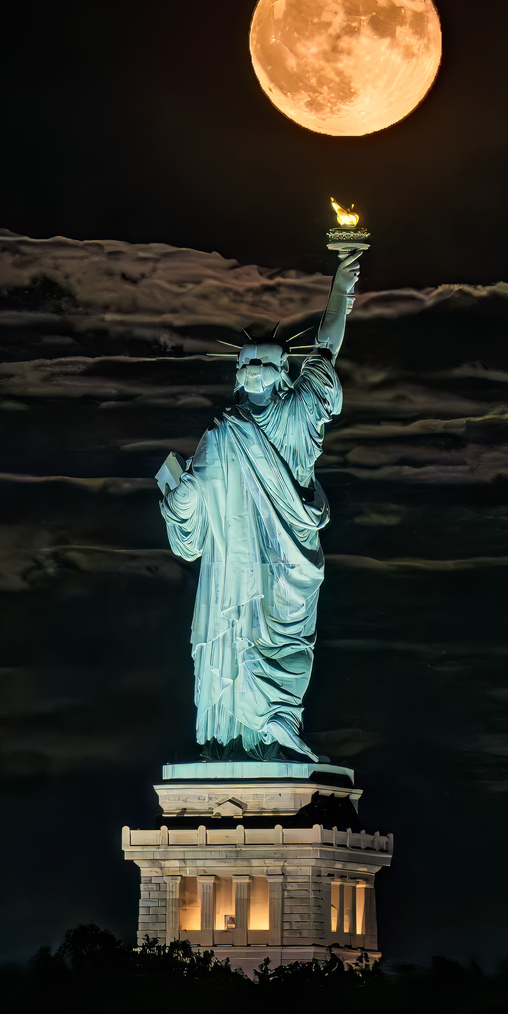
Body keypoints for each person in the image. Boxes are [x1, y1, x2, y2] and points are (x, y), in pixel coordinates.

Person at [155, 248, 363, 761]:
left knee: (282, 637)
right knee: (235, 630)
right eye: (245, 364)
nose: (251, 370)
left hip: (286, 558)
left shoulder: (297, 414)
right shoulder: (223, 433)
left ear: (279, 371)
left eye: (261, 363)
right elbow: (193, 508)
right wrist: (179, 499)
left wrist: (341, 291)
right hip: (234, 566)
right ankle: (232, 738)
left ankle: (275, 724)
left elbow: (327, 351)